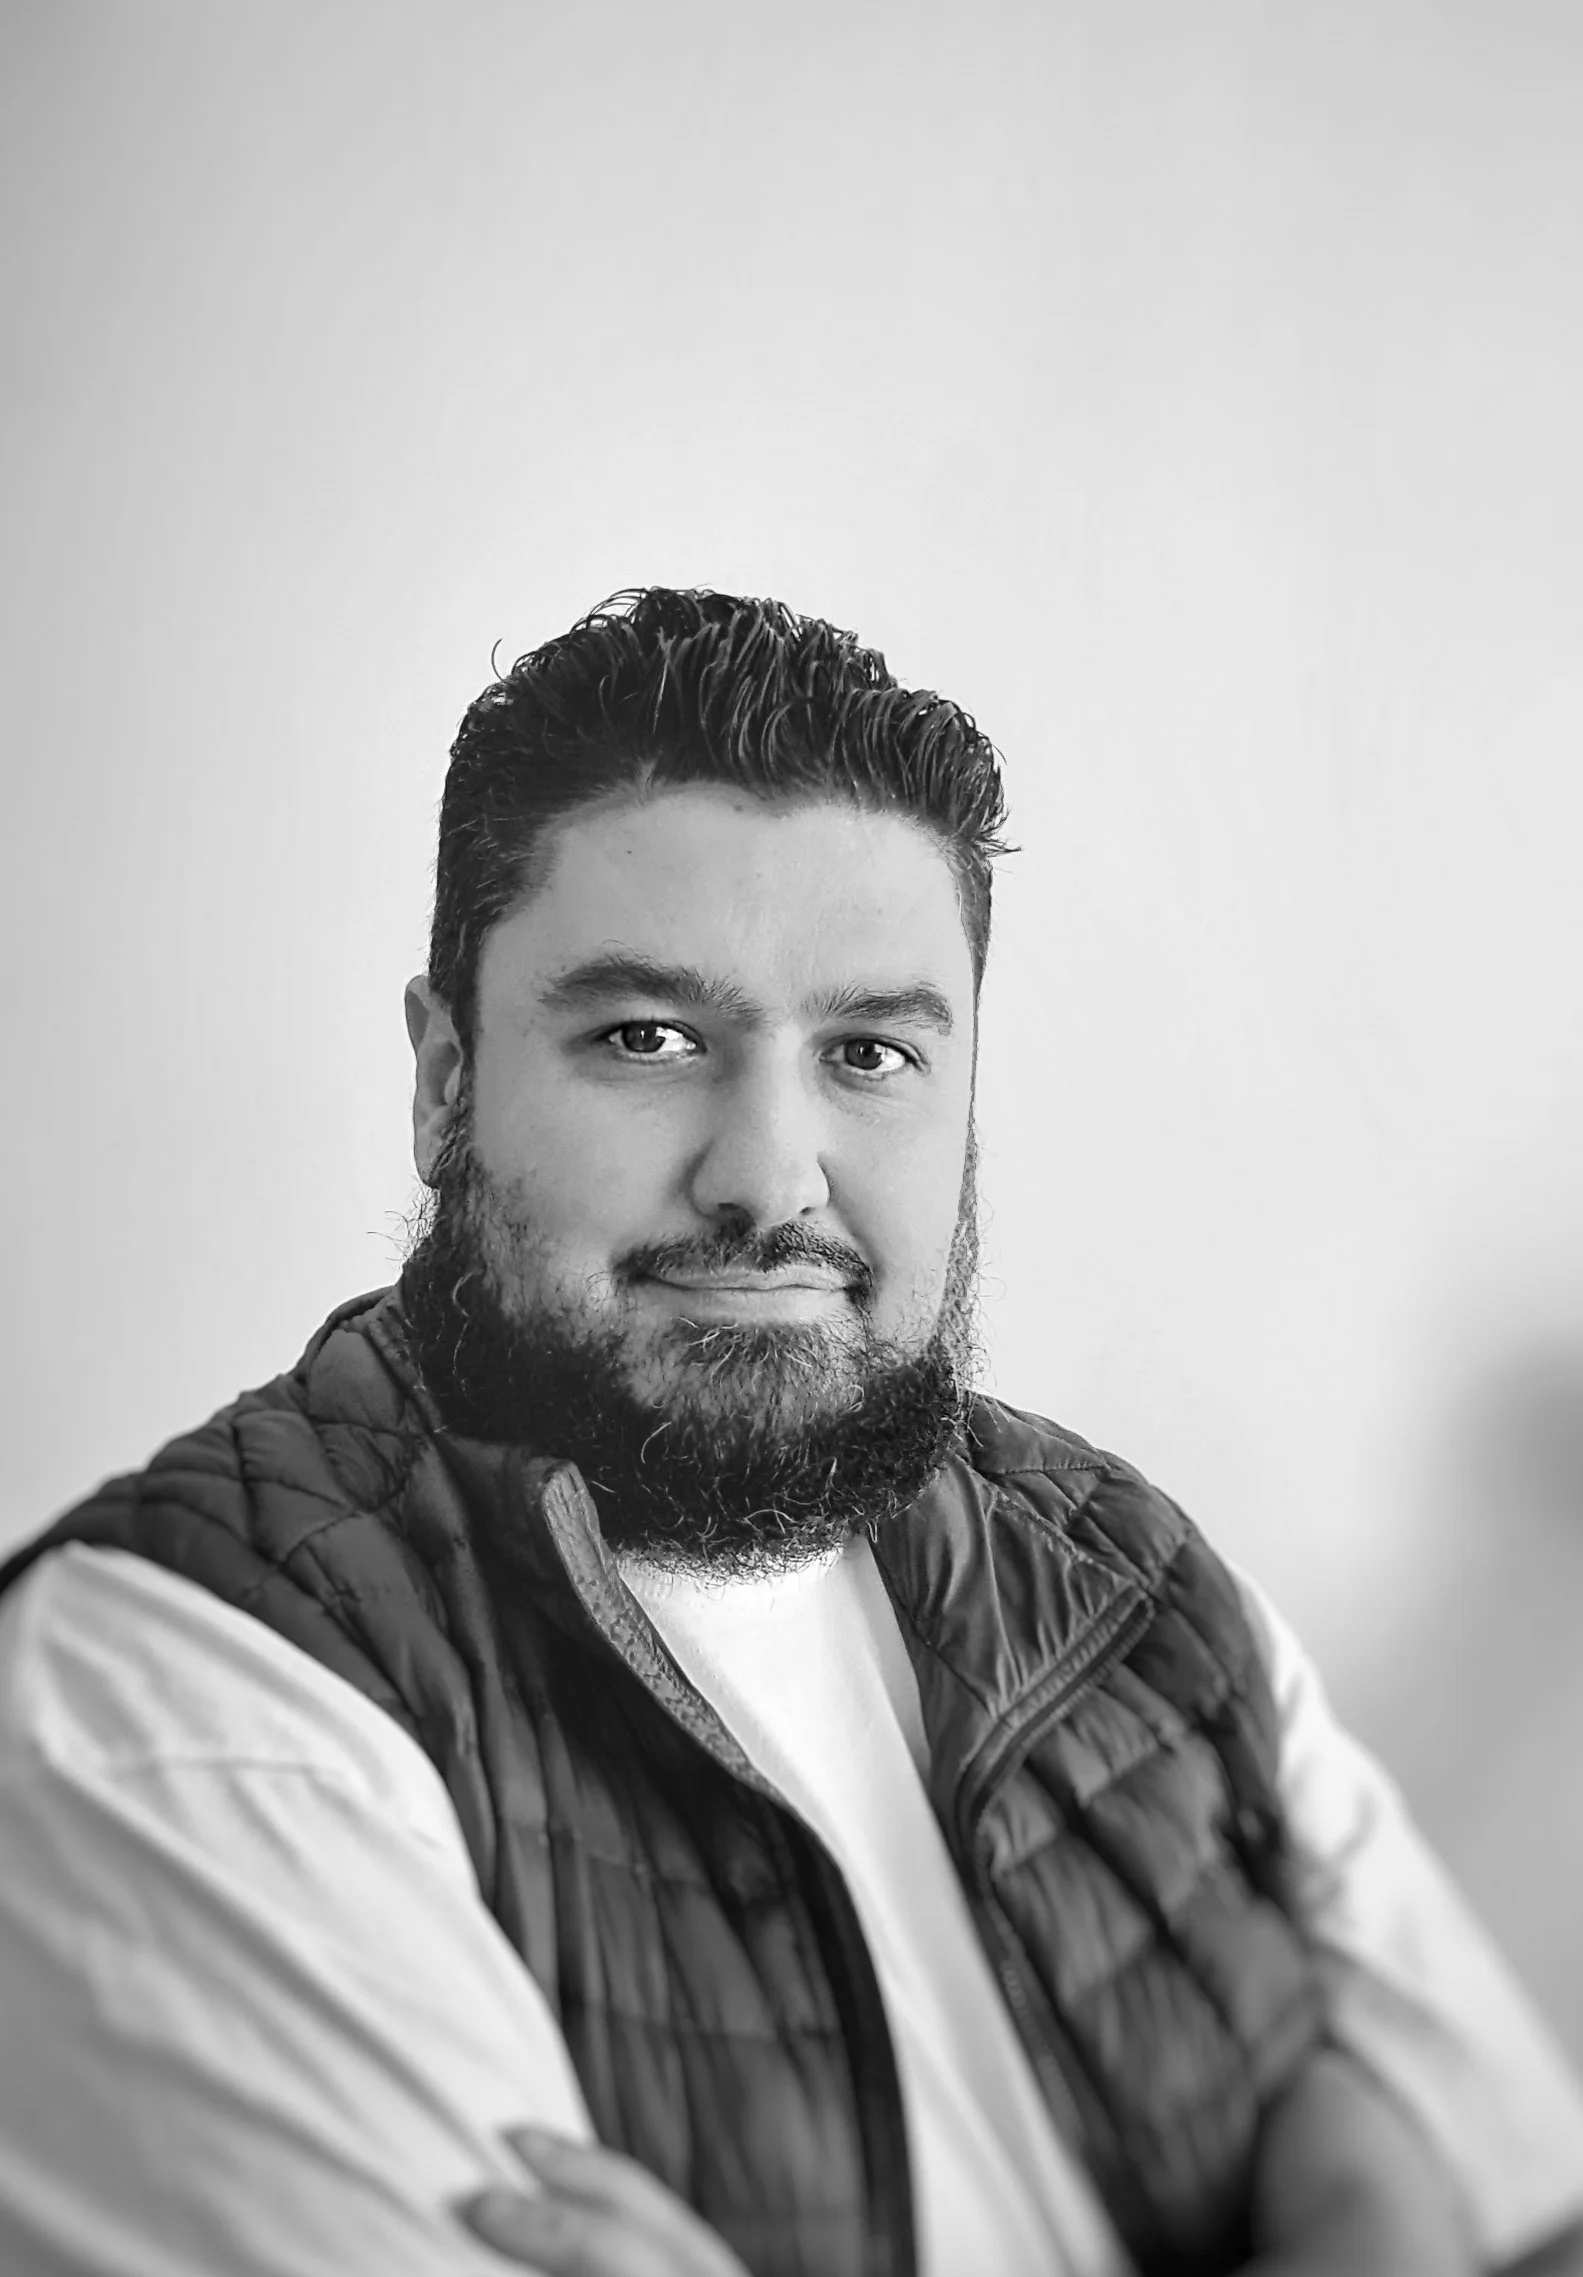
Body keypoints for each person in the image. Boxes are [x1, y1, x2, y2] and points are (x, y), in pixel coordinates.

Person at [0, 587, 1578, 2277]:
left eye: (871, 1053)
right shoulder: (173, 1699)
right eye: (646, 1038)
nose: (767, 1175)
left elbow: (1529, 2224)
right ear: (446, 1077)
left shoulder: (1124, 1584)